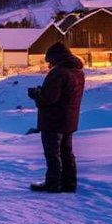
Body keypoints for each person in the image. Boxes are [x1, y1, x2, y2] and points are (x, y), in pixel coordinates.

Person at [28, 41, 86, 193]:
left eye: (50, 61)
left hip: (53, 120)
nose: (49, 65)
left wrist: (36, 95)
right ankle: (69, 183)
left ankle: (53, 183)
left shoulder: (58, 73)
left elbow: (49, 99)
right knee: (67, 153)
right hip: (70, 119)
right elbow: (65, 94)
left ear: (55, 58)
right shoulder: (78, 72)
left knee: (52, 153)